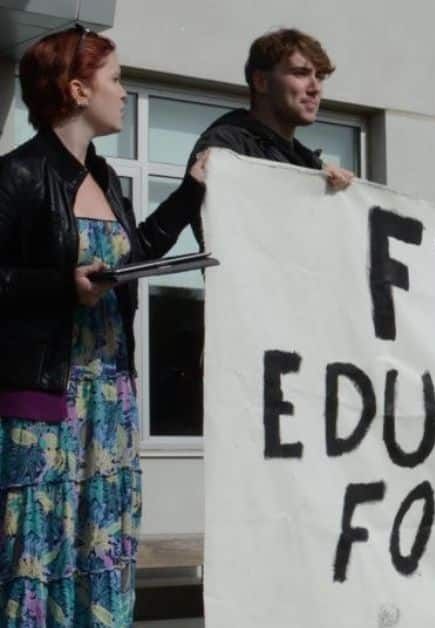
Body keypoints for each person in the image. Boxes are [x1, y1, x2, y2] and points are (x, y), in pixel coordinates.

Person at [0, 26, 207, 626]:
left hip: (110, 403)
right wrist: (61, 286)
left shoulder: (108, 178)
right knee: (36, 558)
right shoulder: (16, 176)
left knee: (103, 552)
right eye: (115, 79)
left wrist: (191, 194)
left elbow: (135, 252)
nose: (124, 92)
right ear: (76, 88)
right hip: (45, 408)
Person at [187, 27, 352, 245]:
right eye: (301, 73)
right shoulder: (225, 146)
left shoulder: (309, 163)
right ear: (261, 82)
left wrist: (331, 195)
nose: (315, 88)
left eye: (320, 77)